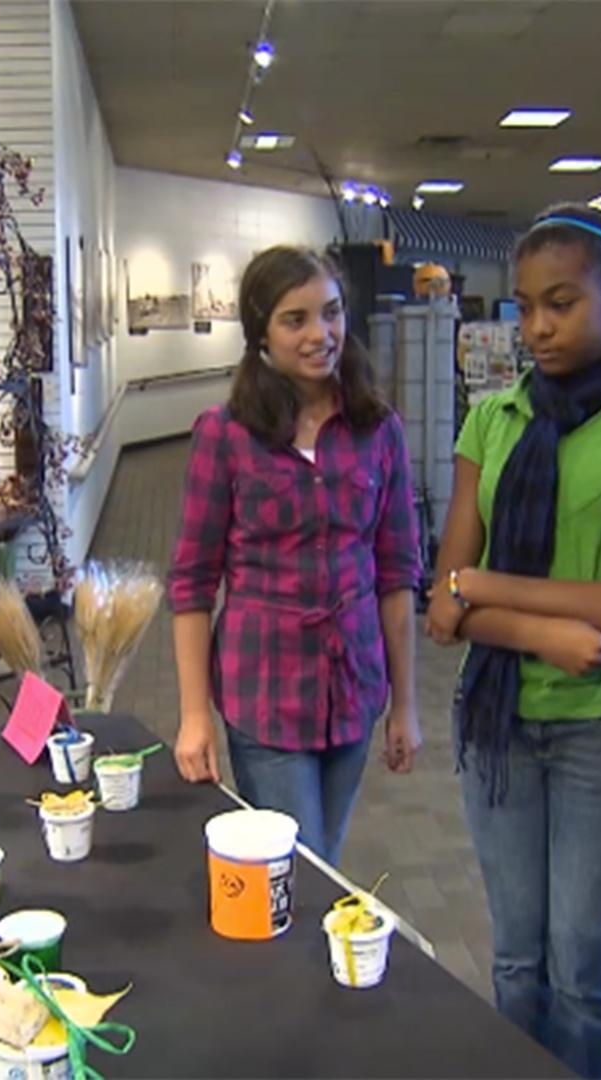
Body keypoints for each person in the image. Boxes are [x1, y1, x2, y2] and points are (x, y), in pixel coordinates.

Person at [426, 205, 601, 1080]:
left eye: (561, 303)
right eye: (524, 307)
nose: (539, 327)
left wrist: (485, 589)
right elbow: (442, 605)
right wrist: (541, 631)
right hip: (499, 727)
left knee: (584, 968)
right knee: (517, 959)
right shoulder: (493, 419)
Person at [169, 245, 422, 865]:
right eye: (296, 319)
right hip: (266, 693)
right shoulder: (225, 434)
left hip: (355, 685)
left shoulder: (377, 429)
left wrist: (405, 705)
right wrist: (193, 715)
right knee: (302, 867)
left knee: (321, 861)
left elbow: (396, 573)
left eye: (332, 313)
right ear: (261, 333)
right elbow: (192, 584)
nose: (321, 334)